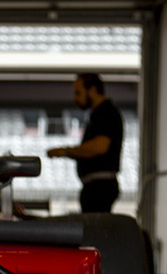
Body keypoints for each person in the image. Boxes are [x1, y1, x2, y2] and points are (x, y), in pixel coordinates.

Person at [47, 73, 123, 213]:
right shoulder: (97, 115)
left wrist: (66, 151)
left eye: (78, 93)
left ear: (93, 90)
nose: (75, 98)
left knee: (94, 229)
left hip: (100, 186)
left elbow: (100, 147)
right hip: (95, 186)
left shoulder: (106, 113)